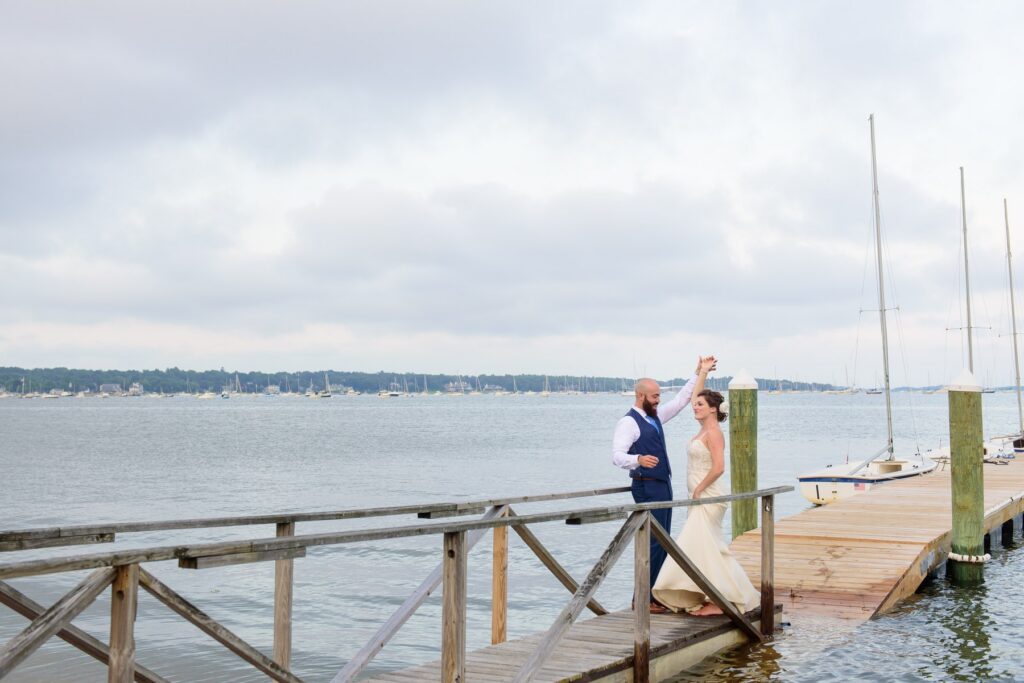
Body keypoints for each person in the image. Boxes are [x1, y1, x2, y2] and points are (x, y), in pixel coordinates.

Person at [612, 356, 715, 613]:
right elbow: (617, 456)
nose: (658, 400)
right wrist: (637, 459)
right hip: (646, 485)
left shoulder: (654, 416)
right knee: (653, 542)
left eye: (659, 396)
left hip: (662, 484)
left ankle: (653, 596)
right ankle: (642, 599)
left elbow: (680, 401)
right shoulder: (628, 422)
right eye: (655, 396)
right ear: (641, 396)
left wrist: (698, 373)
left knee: (663, 541)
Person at [651, 389, 760, 615]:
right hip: (697, 497)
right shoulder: (703, 429)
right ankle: (712, 595)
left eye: (700, 404)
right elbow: (694, 397)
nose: (695, 406)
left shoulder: (714, 433)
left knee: (704, 547)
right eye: (695, 404)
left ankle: (721, 601)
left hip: (708, 496)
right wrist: (701, 373)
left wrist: (699, 489)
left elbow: (719, 467)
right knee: (704, 548)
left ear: (713, 409)